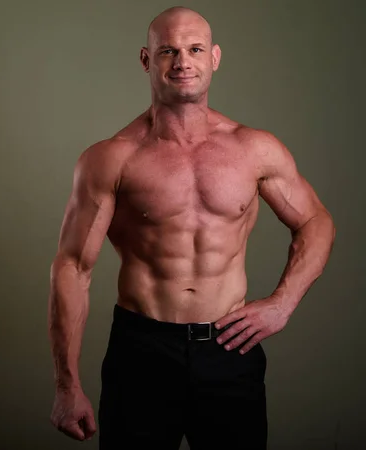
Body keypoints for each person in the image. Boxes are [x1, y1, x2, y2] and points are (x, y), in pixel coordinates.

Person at [48, 6, 335, 450]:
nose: (183, 61)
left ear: (214, 57)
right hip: (141, 350)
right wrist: (67, 386)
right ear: (147, 60)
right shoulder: (111, 158)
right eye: (168, 50)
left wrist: (282, 304)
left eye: (195, 49)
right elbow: (72, 267)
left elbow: (316, 221)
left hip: (229, 348)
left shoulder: (255, 149)